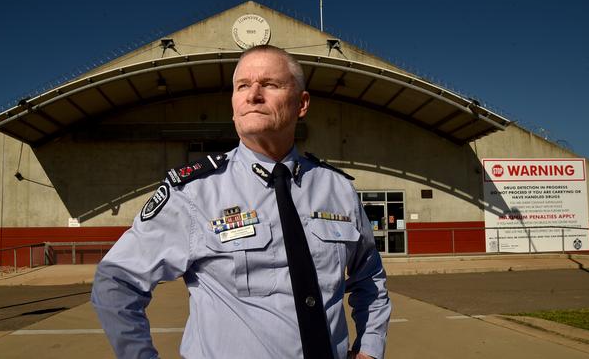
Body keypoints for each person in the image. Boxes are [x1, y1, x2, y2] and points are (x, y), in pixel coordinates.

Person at [91, 45, 391, 359]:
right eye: (242, 86)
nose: (253, 95)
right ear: (234, 104)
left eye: (270, 84)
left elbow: (369, 277)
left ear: (302, 104)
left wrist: (370, 347)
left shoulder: (337, 189)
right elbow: (117, 280)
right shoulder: (195, 192)